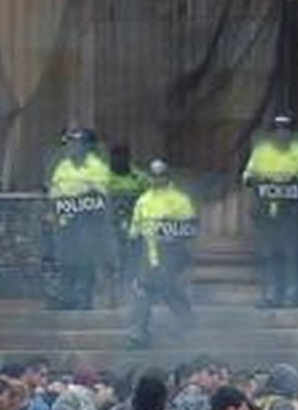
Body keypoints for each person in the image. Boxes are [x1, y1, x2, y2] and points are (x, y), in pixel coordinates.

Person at [126, 159, 197, 348]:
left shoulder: (181, 200)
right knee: (142, 295)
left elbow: (190, 229)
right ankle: (138, 335)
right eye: (154, 176)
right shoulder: (143, 200)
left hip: (172, 255)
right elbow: (135, 231)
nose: (158, 179)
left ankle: (186, 327)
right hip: (148, 255)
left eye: (161, 175)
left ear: (167, 176)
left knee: (172, 292)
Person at [243, 115, 298, 308]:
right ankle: (274, 296)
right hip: (267, 212)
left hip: (292, 212)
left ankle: (295, 295)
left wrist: (293, 180)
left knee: (293, 253)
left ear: (291, 133)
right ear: (272, 133)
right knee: (272, 253)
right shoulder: (261, 152)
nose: (282, 133)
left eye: (286, 130)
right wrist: (255, 180)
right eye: (278, 130)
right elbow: (248, 175)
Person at [47, 128, 113, 310]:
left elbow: (100, 198)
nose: (73, 147)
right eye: (71, 143)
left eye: (77, 143)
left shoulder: (96, 168)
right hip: (65, 223)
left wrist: (74, 205)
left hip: (87, 222)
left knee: (85, 260)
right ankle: (65, 298)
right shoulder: (63, 166)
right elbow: (55, 192)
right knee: (65, 259)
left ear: (87, 146)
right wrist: (53, 211)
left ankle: (83, 299)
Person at [105, 144, 149, 307]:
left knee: (132, 262)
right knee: (112, 262)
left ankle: (130, 296)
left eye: (122, 156)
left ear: (128, 158)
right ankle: (112, 296)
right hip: (110, 228)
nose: (118, 160)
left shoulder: (140, 178)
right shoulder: (103, 177)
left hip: (134, 228)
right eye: (115, 157)